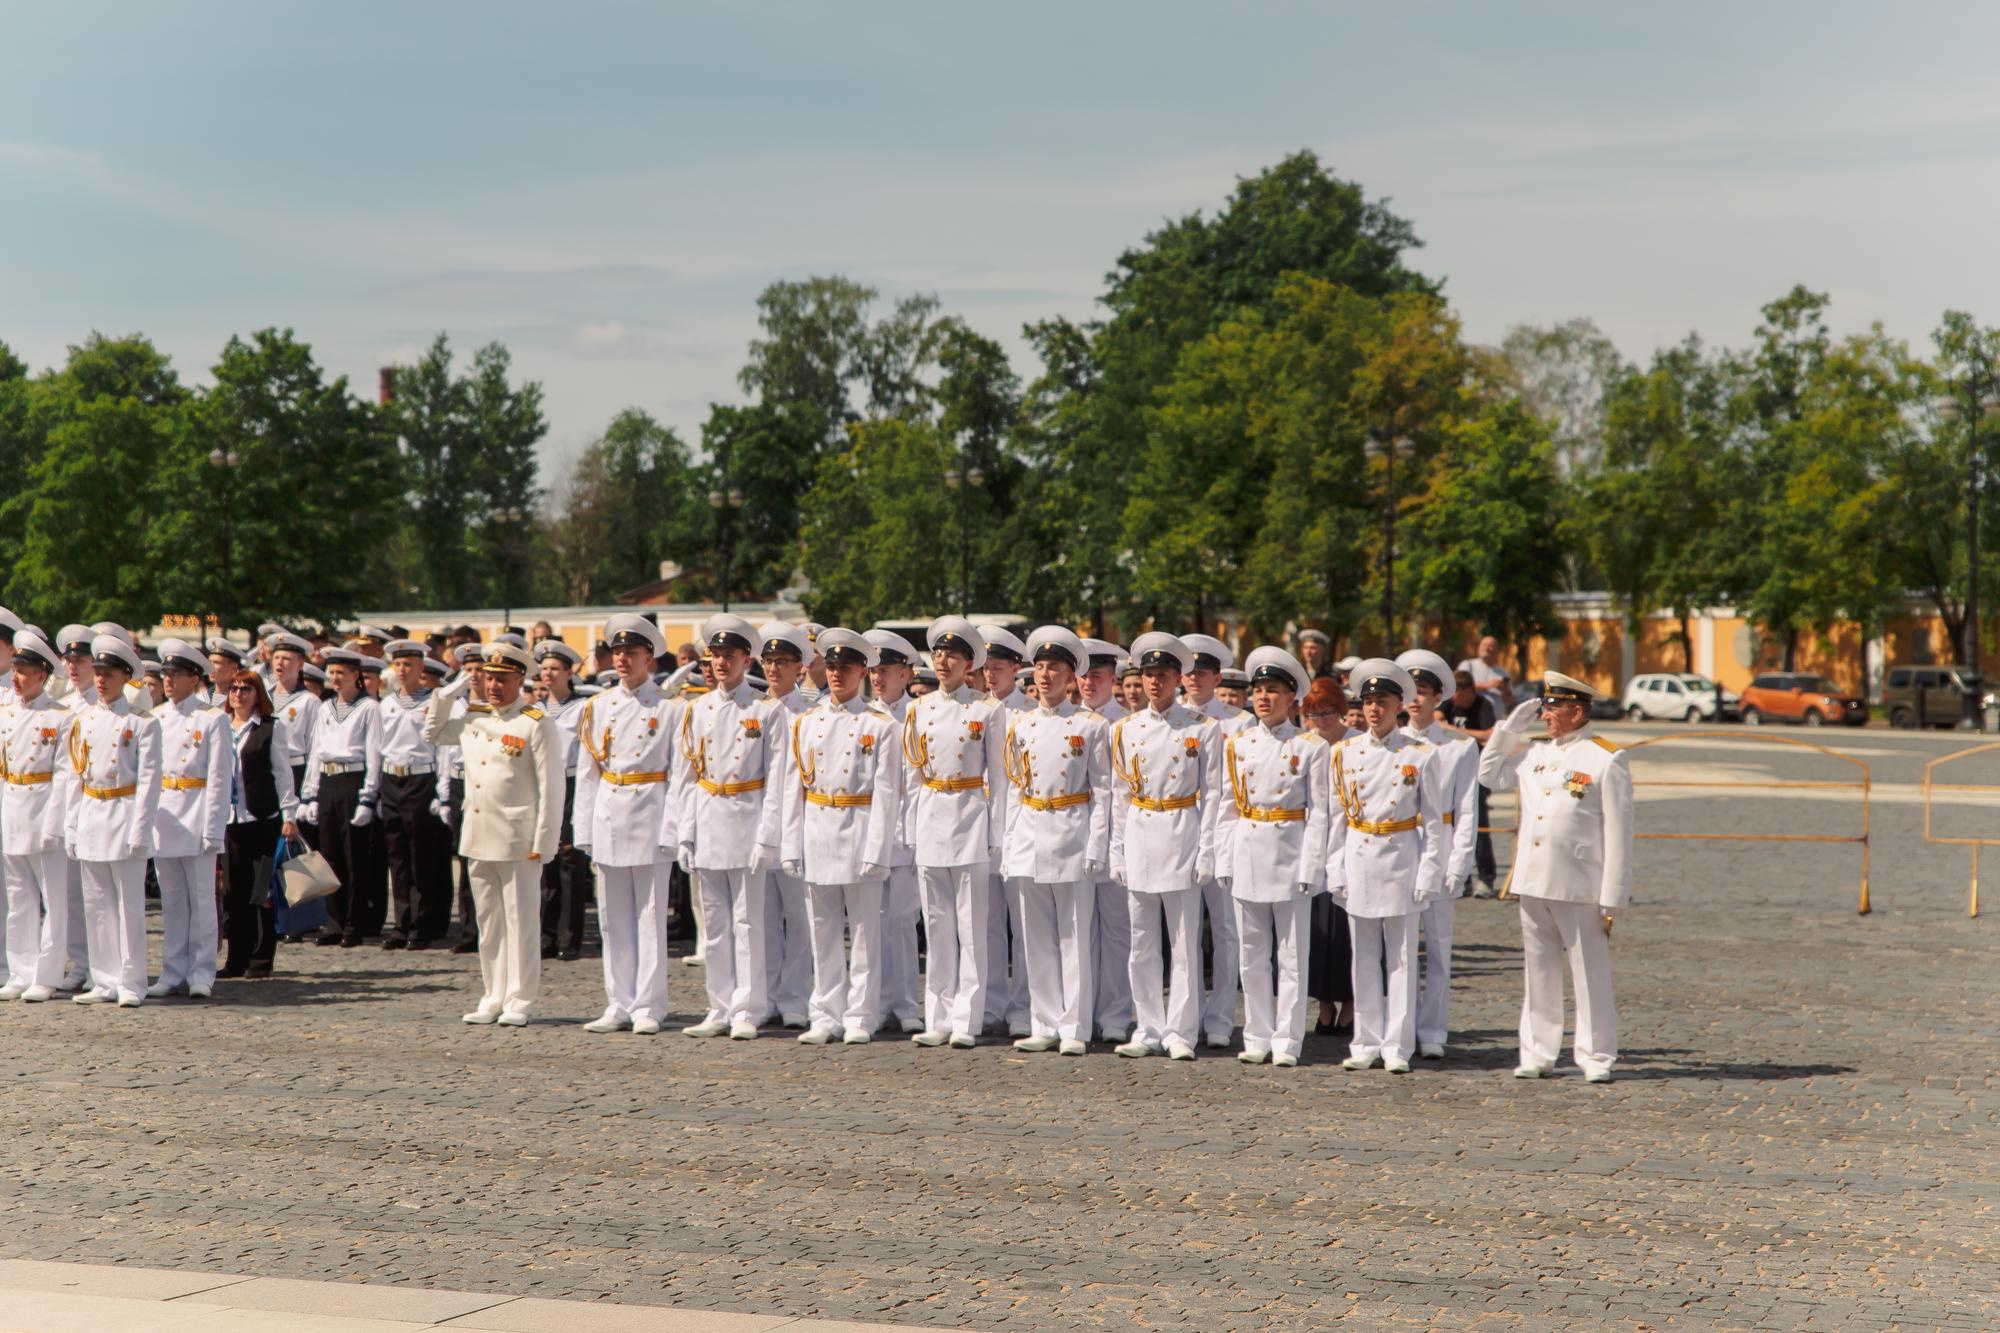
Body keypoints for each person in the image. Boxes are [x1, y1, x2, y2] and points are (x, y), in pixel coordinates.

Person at [1477, 671, 1633, 1083]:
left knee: (1589, 972)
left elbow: (1619, 832)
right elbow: (1488, 775)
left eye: (1552, 707)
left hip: (1580, 883)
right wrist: (1509, 730)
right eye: (1544, 707)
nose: (1545, 715)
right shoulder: (1535, 752)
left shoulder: (1605, 758)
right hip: (1533, 878)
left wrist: (1614, 894)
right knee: (1539, 971)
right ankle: (1537, 1052)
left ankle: (1596, 1055)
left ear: (1576, 711)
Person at [422, 642, 562, 1027]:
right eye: (488, 678)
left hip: (518, 838)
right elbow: (433, 732)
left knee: (521, 923)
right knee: (489, 925)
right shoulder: (475, 718)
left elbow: (551, 787)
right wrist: (447, 693)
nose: (494, 686)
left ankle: (519, 999)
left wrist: (545, 840)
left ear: (520, 680)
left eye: (503, 679)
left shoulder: (535, 722)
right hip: (478, 834)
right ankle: (493, 994)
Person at [1325, 659, 1449, 1073]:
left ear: (1400, 705)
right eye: (1369, 702)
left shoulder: (1421, 754)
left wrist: (1429, 872)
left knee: (1401, 959)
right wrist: (1335, 868)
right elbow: (1337, 818)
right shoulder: (1344, 753)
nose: (1374, 709)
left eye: (1383, 702)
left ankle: (1398, 1043)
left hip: (1401, 858)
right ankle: (1365, 1040)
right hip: (1360, 854)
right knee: (1362, 956)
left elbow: (1435, 821)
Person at [778, 628, 901, 1045]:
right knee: (822, 931)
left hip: (860, 829)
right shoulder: (806, 723)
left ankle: (861, 1014)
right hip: (818, 829)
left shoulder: (880, 726)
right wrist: (791, 844)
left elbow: (887, 793)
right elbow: (793, 789)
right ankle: (825, 1013)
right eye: (831, 666)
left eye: (845, 668)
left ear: (863, 672)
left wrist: (878, 850)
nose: (836, 674)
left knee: (865, 933)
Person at [1108, 632, 1221, 1061]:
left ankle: (1181, 1030)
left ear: (1179, 679)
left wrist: (1207, 850)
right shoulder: (1125, 729)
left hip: (1181, 830)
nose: (1154, 682)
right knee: (1142, 942)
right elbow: (1120, 795)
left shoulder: (1202, 729)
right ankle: (1149, 1026)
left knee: (1184, 941)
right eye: (1148, 675)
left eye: (1163, 675)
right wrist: (1117, 849)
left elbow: (1215, 793)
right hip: (1141, 830)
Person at [999, 626, 1109, 1056]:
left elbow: (1103, 792)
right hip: (1031, 832)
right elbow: (1014, 790)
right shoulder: (1021, 725)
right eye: (1041, 667)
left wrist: (1096, 846)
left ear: (1071, 677)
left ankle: (1075, 1025)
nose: (1045, 676)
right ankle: (1044, 1022)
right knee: (1036, 938)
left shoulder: (1091, 725)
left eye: (1055, 669)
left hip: (1071, 833)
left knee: (1074, 937)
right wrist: (1010, 844)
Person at [676, 613, 786, 1040]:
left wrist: (767, 836)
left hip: (746, 819)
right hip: (709, 819)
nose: (721, 663)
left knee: (749, 924)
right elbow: (688, 777)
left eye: (730, 656)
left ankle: (749, 1008)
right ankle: (719, 1006)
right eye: (716, 656)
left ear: (747, 660)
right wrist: (685, 833)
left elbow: (776, 780)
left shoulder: (765, 710)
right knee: (715, 925)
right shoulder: (696, 709)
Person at [1218, 647, 1328, 1067]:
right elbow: (1228, 806)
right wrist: (1224, 858)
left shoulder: (1311, 745)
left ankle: (1288, 1038)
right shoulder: (1239, 744)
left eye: (1273, 690)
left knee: (1292, 955)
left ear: (1291, 697)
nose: (1263, 698)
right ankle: (1257, 1034)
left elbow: (1320, 812)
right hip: (1248, 849)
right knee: (1251, 953)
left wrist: (1311, 864)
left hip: (1289, 852)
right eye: (1259, 690)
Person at [902, 615, 1008, 1049]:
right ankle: (938, 1015)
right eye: (939, 654)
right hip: (931, 816)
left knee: (971, 926)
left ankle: (967, 1017)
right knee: (938, 925)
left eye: (953, 656)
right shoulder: (918, 709)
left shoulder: (988, 709)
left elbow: (1000, 779)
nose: (943, 662)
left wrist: (996, 834)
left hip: (969, 818)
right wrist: (910, 830)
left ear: (969, 664)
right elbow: (912, 777)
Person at [572, 614, 678, 1035]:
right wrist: (583, 830)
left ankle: (650, 1004)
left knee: (650, 917)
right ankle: (618, 1001)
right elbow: (587, 775)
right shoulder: (597, 707)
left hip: (651, 812)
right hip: (610, 813)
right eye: (617, 652)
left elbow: (679, 776)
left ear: (648, 658)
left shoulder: (669, 708)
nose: (622, 659)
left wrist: (673, 829)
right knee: (612, 918)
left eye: (630, 653)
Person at [63, 632, 160, 1007]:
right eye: (99, 672)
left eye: (109, 673)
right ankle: (104, 979)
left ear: (125, 677)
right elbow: (77, 776)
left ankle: (132, 980)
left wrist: (141, 828)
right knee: (97, 905)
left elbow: (149, 781)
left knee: (129, 905)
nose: (101, 679)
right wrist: (72, 824)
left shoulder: (142, 723)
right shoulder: (84, 719)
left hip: (124, 813)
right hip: (93, 813)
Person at [1396, 649, 1481, 1059]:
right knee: (1400, 949)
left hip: (1441, 843)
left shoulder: (1458, 746)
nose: (1415, 700)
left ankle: (1433, 1029)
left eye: (1423, 692)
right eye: (1409, 692)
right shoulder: (1393, 740)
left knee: (1438, 948)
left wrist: (1460, 861)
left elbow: (1467, 809)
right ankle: (1402, 1026)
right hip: (1398, 846)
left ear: (1437, 698)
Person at [146, 639, 232, 999]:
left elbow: (219, 778)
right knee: (172, 899)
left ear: (195, 679)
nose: (168, 680)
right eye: (166, 673)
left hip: (196, 812)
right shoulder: (156, 717)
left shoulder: (212, 719)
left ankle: (201, 971)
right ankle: (173, 970)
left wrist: (213, 829)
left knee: (202, 899)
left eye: (176, 674)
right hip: (166, 814)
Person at [1181, 632, 1248, 1049]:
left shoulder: (1239, 723)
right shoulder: (1172, 716)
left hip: (1224, 829)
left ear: (1217, 677)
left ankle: (1221, 1017)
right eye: (1188, 672)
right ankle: (1187, 1015)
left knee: (1226, 929)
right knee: (1183, 931)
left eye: (1202, 671)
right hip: (1180, 828)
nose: (1194, 678)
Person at [0, 630, 74, 1001]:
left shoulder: (60, 716)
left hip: (44, 811)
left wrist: (55, 823)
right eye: (15, 670)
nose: (16, 678)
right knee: (18, 898)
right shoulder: (7, 713)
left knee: (53, 899)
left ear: (42, 674)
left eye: (23, 671)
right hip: (13, 810)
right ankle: (20, 970)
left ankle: (47, 973)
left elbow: (64, 775)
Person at [298, 648, 383, 948]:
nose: (335, 678)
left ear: (355, 675)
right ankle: (333, 921)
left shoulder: (369, 708)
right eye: (331, 673)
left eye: (341, 673)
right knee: (329, 854)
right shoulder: (325, 707)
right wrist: (309, 794)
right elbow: (316, 752)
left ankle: (353, 922)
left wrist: (368, 797)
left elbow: (374, 754)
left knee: (354, 856)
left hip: (353, 780)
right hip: (328, 780)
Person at [220, 669, 299, 979]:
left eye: (246, 689)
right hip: (230, 820)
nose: (238, 695)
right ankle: (236, 958)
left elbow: (282, 774)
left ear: (258, 695)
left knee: (262, 891)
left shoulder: (270, 728)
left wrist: (289, 815)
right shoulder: (221, 726)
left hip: (261, 819)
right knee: (234, 893)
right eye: (234, 689)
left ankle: (262, 958)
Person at [864, 628, 924, 1033]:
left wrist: (915, 832)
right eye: (873, 671)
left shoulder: (919, 715)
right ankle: (873, 1001)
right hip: (867, 828)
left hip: (904, 828)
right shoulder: (861, 715)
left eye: (885, 671)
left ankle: (904, 1004)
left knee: (902, 919)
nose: (877, 678)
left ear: (906, 673)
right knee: (869, 922)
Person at [756, 620, 816, 1028]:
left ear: (800, 667)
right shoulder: (751, 710)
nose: (774, 669)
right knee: (761, 919)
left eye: (782, 662)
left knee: (800, 919)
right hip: (754, 825)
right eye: (769, 661)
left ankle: (795, 997)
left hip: (799, 826)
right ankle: (764, 996)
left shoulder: (810, 714)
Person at [1078, 637, 1133, 1042]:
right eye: (1082, 676)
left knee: (1116, 931)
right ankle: (1082, 1010)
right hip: (1077, 840)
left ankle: (1114, 1014)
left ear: (1113, 678)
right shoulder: (1069, 720)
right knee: (1079, 933)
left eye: (1096, 675)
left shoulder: (1126, 724)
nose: (1088, 683)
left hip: (1119, 839)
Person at [378, 639, 450, 951]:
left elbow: (442, 748)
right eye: (398, 664)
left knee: (421, 854)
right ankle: (402, 922)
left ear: (421, 667)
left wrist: (441, 790)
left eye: (408, 664)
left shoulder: (432, 701)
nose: (402, 670)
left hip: (421, 778)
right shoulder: (386, 704)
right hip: (392, 778)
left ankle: (421, 924)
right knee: (397, 856)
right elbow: (379, 747)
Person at [979, 623, 1033, 1037]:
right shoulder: (974, 709)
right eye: (986, 667)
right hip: (978, 827)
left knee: (1024, 925)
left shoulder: (1028, 713)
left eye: (998, 667)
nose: (991, 675)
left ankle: (1024, 1007)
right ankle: (990, 1003)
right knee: (986, 924)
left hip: (1018, 826)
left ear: (1016, 668)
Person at [1299, 677, 1353, 1035]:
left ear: (1342, 710)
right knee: (1317, 930)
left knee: (1347, 928)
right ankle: (1323, 1002)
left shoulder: (1356, 743)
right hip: (1310, 843)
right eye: (1314, 714)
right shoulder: (1303, 744)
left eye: (1328, 712)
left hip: (1350, 843)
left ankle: (1350, 1002)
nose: (1321, 720)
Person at [533, 640, 592, 961]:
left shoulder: (581, 708)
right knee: (545, 862)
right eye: (544, 669)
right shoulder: (535, 710)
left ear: (569, 673)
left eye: (555, 669)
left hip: (571, 783)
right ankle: (546, 935)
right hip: (541, 785)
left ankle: (569, 938)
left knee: (570, 862)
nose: (548, 674)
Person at [1441, 668, 1501, 897]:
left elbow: (1489, 735)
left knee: (1479, 827)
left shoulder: (1483, 705)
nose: (1455, 698)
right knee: (1453, 827)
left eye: (1458, 693)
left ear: (1469, 691)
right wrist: (1467, 733)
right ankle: (1462, 878)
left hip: (1477, 772)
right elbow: (1436, 720)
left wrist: (1454, 731)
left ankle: (1486, 877)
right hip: (1451, 772)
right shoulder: (1448, 703)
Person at [1458, 635, 1517, 718]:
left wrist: (1506, 691)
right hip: (1470, 718)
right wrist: (1488, 685)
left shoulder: (1503, 673)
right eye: (1484, 645)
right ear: (1479, 647)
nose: (1486, 648)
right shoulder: (1468, 665)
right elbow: (1459, 688)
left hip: (1494, 720)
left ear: (1497, 651)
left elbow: (1511, 702)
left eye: (1490, 646)